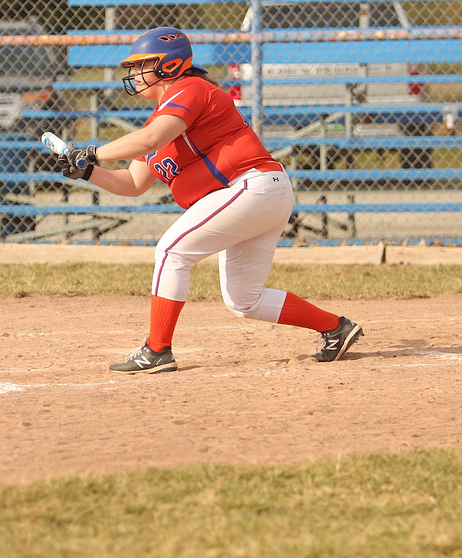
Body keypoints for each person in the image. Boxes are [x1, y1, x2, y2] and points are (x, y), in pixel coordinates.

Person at [57, 27, 363, 374]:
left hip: (251, 186)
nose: (135, 73)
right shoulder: (159, 118)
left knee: (171, 252)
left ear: (169, 65)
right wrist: (87, 172)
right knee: (244, 300)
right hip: (257, 195)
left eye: (143, 65)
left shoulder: (191, 88)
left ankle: (157, 350)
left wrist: (93, 151)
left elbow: (150, 140)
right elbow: (133, 183)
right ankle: (336, 328)